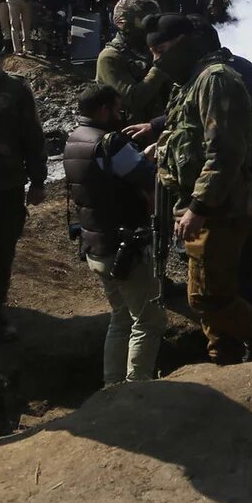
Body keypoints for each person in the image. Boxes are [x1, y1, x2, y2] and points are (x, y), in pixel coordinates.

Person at [151, 14, 252, 363]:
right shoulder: (192, 82)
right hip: (202, 204)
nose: (156, 61)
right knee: (209, 289)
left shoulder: (216, 79)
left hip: (223, 206)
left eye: (161, 51)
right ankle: (222, 356)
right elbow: (188, 131)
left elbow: (225, 150)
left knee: (207, 297)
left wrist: (199, 205)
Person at [63, 84, 166, 384]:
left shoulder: (73, 140)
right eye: (116, 109)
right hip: (124, 247)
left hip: (96, 245)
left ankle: (112, 388)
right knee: (149, 319)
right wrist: (151, 155)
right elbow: (146, 178)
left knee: (121, 318)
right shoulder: (110, 144)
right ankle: (137, 386)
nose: (119, 115)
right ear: (103, 109)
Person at [0, 48, 46, 341]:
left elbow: (33, 135)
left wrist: (38, 180)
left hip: (6, 187)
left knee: (2, 250)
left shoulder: (15, 89)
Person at [96, 0, 171, 124]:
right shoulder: (110, 57)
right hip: (131, 133)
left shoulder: (149, 49)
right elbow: (132, 99)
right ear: (126, 24)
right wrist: (159, 66)